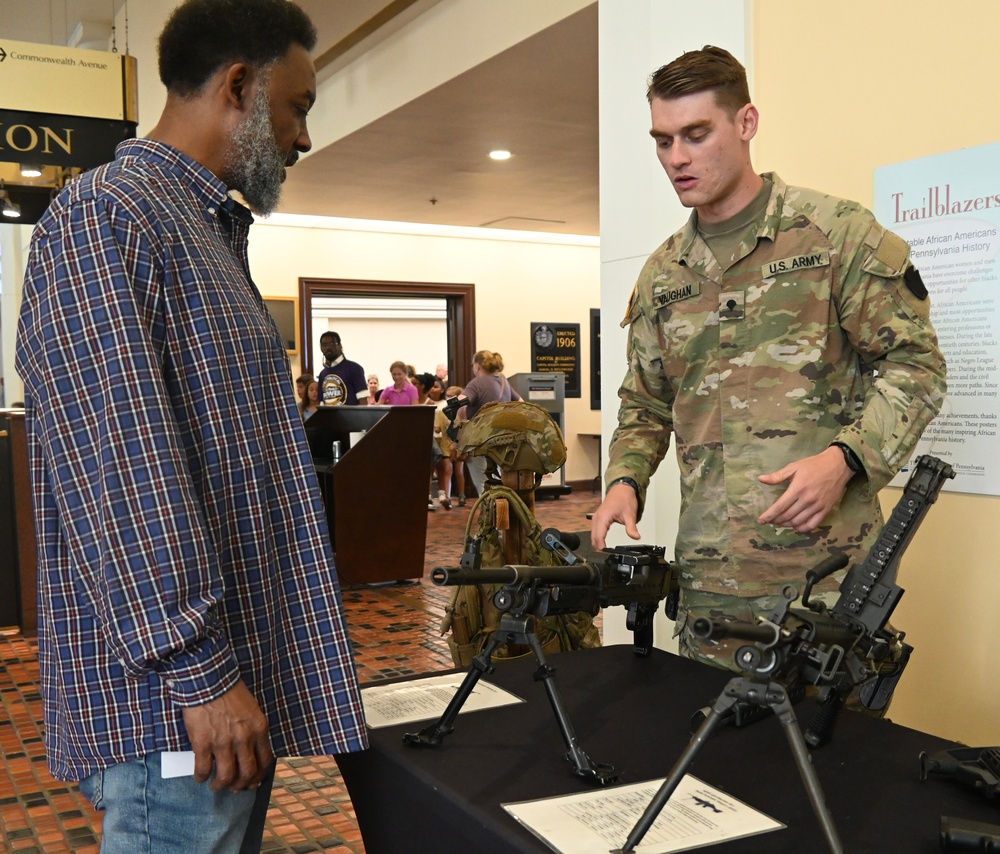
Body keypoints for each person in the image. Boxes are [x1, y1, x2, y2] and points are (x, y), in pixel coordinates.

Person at [14, 2, 368, 851]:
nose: (304, 138)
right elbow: (121, 471)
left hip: (217, 698)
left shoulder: (199, 230)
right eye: (299, 107)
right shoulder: (110, 218)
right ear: (238, 87)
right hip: (172, 715)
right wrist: (201, 675)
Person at [591, 46, 946, 673]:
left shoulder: (835, 235)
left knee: (835, 761)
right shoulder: (662, 273)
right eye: (663, 140)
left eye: (696, 135)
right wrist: (625, 478)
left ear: (746, 123)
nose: (676, 158)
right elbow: (645, 400)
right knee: (715, 762)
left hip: (829, 576)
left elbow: (915, 367)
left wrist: (846, 459)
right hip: (711, 580)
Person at [458, 349, 522, 496]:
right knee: (499, 480)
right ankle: (501, 515)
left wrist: (463, 424)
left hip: (479, 439)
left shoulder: (476, 383)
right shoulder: (504, 382)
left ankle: (492, 515)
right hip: (502, 439)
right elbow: (521, 403)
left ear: (478, 366)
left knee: (483, 483)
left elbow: (460, 403)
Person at [317, 330, 368, 406]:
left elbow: (363, 401)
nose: (328, 347)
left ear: (340, 346)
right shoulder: (322, 374)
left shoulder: (354, 368)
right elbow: (322, 403)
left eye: (332, 344)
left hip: (350, 417)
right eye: (324, 345)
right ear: (321, 348)